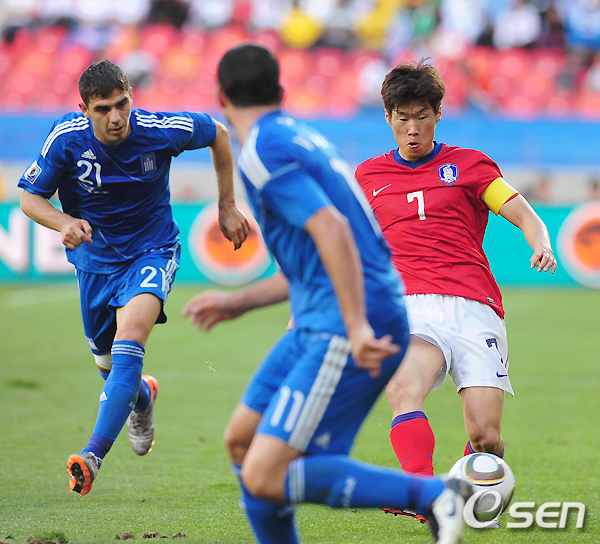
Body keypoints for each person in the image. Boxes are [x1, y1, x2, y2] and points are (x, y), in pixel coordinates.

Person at [188, 43, 474, 544]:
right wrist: (237, 302)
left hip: (347, 320)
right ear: (280, 92)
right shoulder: (297, 137)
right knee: (242, 443)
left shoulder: (264, 151)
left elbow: (333, 230)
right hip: (322, 314)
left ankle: (434, 494)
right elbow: (314, 260)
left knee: (266, 473)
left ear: (221, 98)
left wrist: (357, 325)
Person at [18, 60, 251, 497]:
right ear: (85, 109)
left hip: (152, 251)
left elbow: (219, 133)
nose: (116, 117)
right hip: (95, 263)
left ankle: (92, 455)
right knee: (109, 367)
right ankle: (142, 396)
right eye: (103, 109)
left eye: (122, 104)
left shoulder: (160, 130)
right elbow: (30, 199)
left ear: (131, 97)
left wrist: (226, 205)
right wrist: (63, 222)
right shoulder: (66, 139)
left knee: (130, 341)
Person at [354, 59, 556, 495]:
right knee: (403, 389)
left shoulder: (470, 165)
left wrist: (540, 242)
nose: (413, 129)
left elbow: (522, 212)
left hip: (473, 304)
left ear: (438, 114)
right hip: (407, 305)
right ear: (387, 117)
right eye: (402, 119)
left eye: (422, 117)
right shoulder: (368, 176)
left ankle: (475, 479)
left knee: (486, 436)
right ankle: (420, 493)